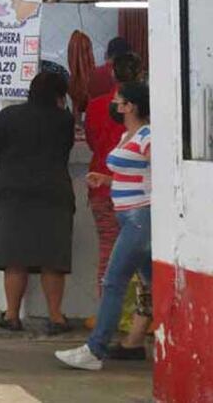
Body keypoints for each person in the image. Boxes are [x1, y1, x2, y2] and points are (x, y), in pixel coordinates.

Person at [57, 82, 152, 370]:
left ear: (130, 106)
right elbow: (135, 174)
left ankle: (95, 349)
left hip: (140, 217)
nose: (114, 104)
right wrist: (108, 180)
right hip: (127, 215)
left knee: (113, 281)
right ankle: (136, 342)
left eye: (118, 100)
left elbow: (157, 176)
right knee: (152, 285)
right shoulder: (127, 134)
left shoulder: (149, 136)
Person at [0, 71, 75, 331]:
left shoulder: (10, 116)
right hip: (53, 194)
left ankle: (11, 315)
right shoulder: (64, 120)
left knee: (15, 257)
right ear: (59, 94)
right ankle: (55, 316)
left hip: (13, 194)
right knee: (53, 258)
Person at [84, 52, 143, 294]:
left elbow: (91, 141)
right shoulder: (145, 105)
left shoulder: (95, 105)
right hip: (137, 190)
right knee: (142, 252)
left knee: (108, 248)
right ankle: (141, 314)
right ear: (140, 73)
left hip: (101, 185)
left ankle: (108, 309)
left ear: (111, 73)